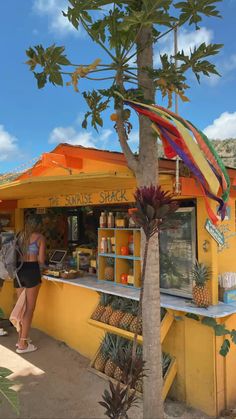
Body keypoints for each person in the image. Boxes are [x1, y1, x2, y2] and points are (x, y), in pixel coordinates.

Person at [14, 214, 45, 353]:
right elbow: (41, 260)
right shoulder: (40, 238)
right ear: (38, 225)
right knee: (29, 309)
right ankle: (23, 345)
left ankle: (20, 338)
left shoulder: (20, 236)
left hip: (18, 271)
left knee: (21, 307)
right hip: (32, 271)